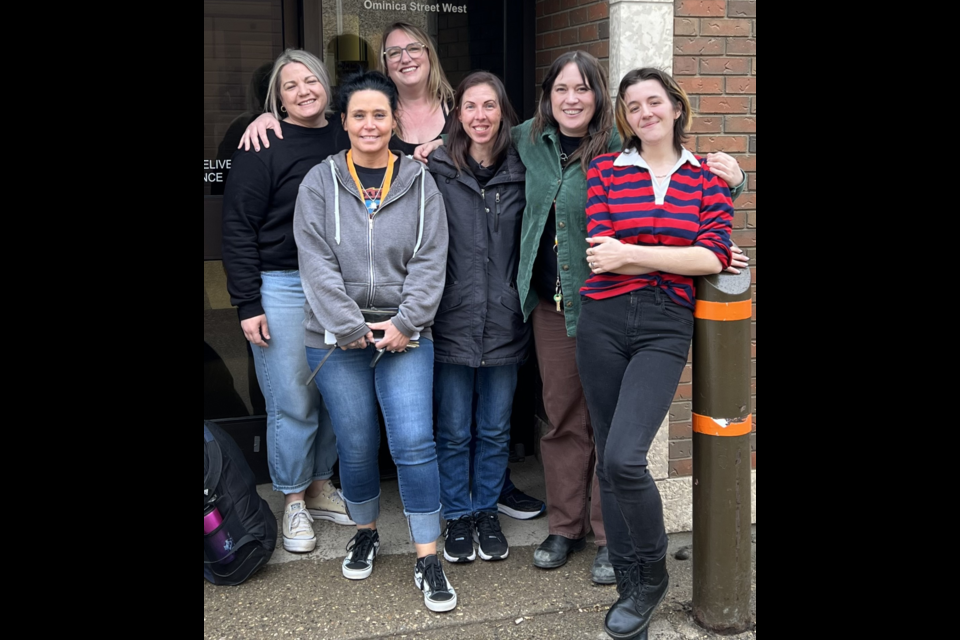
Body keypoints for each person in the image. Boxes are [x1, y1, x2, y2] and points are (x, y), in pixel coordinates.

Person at [416, 52, 747, 586]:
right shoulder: (529, 138)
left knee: (610, 427)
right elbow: (480, 131)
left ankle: (609, 537)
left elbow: (680, 179)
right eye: (561, 89)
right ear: (547, 96)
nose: (572, 99)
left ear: (599, 98)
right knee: (563, 416)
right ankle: (564, 526)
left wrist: (734, 182)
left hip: (610, 301)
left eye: (584, 89)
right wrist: (432, 147)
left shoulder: (622, 148)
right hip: (550, 303)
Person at [578, 67, 735, 639]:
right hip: (602, 321)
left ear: (675, 107)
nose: (644, 113)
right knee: (607, 459)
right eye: (632, 106)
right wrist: (676, 252)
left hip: (665, 325)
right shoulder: (606, 171)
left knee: (625, 457)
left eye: (654, 102)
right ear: (625, 117)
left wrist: (634, 253)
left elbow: (715, 257)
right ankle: (631, 589)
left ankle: (652, 574)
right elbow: (601, 254)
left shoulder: (709, 179)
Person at [293, 71, 456, 613]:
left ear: (394, 121)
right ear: (344, 121)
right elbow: (314, 262)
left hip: (406, 335)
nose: (369, 124)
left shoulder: (417, 180)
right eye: (358, 115)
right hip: (337, 339)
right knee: (357, 444)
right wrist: (350, 327)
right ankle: (365, 530)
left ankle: (428, 555)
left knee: (413, 442)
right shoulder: (320, 180)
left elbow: (433, 258)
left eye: (379, 114)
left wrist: (408, 322)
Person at [221, 49, 353, 555]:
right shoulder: (263, 143)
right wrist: (247, 303)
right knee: (293, 400)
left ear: (325, 84)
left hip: (339, 286)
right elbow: (237, 227)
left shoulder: (348, 130)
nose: (303, 90)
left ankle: (321, 486)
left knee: (333, 396)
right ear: (277, 97)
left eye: (310, 80)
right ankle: (294, 501)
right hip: (282, 284)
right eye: (290, 85)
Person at [425, 72, 530, 564]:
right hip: (451, 319)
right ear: (458, 113)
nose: (480, 116)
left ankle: (487, 509)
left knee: (493, 429)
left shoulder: (524, 171)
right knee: (452, 430)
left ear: (503, 113)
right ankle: (457, 515)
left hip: (506, 321)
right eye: (470, 106)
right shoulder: (435, 170)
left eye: (490, 106)